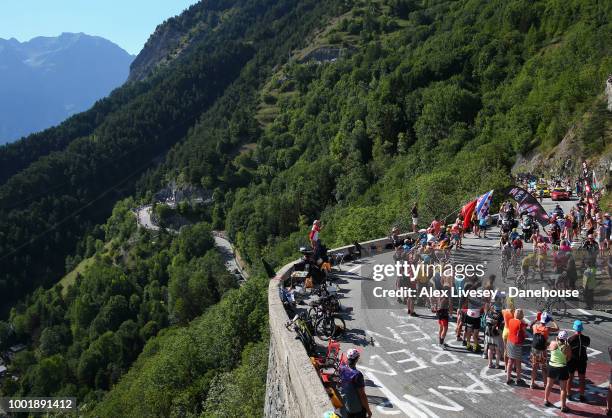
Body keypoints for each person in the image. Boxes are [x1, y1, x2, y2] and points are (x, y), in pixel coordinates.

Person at [339, 349, 372, 418]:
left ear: (347, 358)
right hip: (356, 408)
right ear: (356, 360)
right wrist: (368, 410)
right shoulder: (357, 375)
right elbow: (362, 395)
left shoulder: (342, 368)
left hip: (346, 403)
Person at [530, 312, 559, 389]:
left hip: (534, 349)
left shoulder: (535, 327)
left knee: (534, 366)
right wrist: (552, 320)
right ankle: (545, 384)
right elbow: (557, 328)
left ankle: (532, 383)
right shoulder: (547, 329)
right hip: (543, 350)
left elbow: (531, 324)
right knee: (544, 368)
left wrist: (536, 319)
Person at [545, 331, 572, 413]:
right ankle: (563, 406)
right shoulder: (567, 347)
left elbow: (549, 348)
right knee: (563, 389)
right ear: (566, 339)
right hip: (562, 368)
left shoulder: (553, 343)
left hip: (552, 366)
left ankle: (546, 400)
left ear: (558, 337)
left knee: (549, 385)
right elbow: (569, 358)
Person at [567, 320, 591, 402]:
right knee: (582, 378)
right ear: (582, 329)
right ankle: (581, 395)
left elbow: (568, 350)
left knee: (570, 378)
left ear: (574, 328)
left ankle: (568, 394)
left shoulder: (570, 339)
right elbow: (586, 346)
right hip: (582, 360)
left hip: (572, 360)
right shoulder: (587, 339)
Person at [506, 309, 528, 385]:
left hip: (509, 341)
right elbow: (525, 333)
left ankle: (508, 378)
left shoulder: (510, 320)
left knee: (510, 361)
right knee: (518, 362)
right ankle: (518, 379)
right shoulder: (521, 323)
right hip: (517, 343)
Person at [484, 304, 504, 369]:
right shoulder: (501, 314)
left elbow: (485, 322)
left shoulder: (489, 313)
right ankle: (497, 364)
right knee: (497, 350)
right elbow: (502, 324)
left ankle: (490, 363)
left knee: (490, 349)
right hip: (497, 334)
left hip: (489, 334)